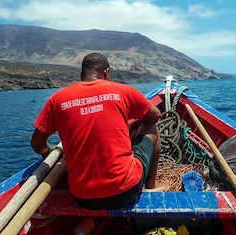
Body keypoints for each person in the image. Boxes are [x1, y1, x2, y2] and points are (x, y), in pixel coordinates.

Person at [31, 52, 165, 210]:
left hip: (82, 198)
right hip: (126, 191)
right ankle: (150, 185)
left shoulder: (57, 99)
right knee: (151, 127)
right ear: (107, 73)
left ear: (82, 75)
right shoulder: (123, 91)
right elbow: (155, 115)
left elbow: (37, 144)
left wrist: (50, 152)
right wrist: (136, 124)